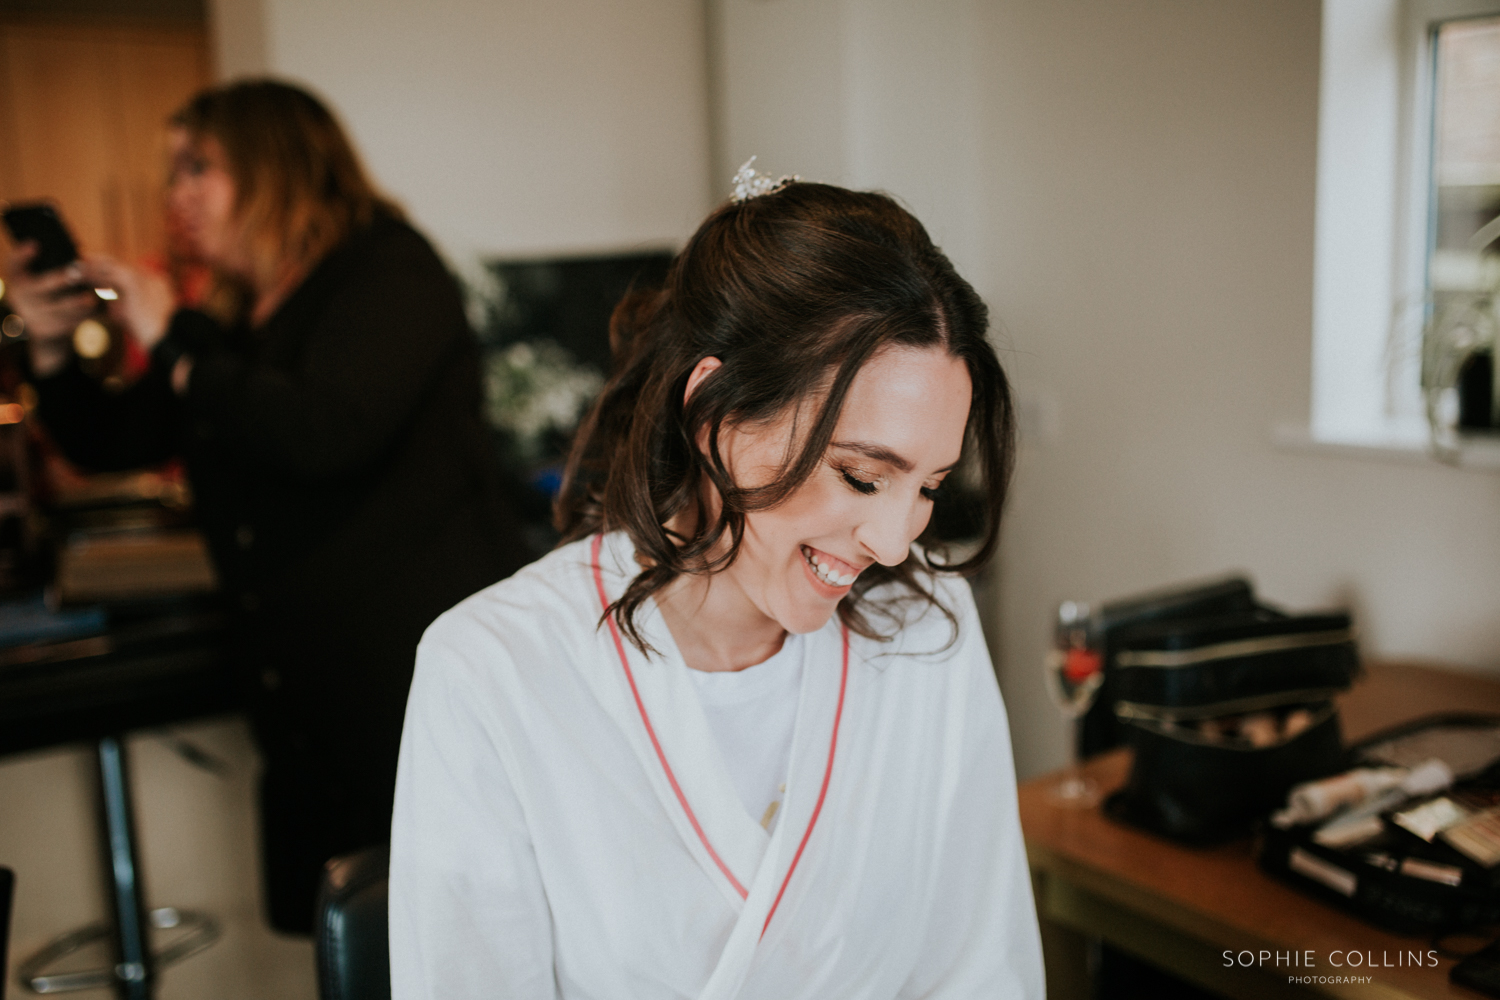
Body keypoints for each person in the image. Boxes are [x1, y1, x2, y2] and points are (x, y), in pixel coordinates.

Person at [389, 167, 1045, 998]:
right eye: (860, 475)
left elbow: (983, 969)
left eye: (928, 487)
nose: (891, 543)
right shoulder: (492, 669)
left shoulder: (927, 627)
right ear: (717, 415)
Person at [3, 79, 526, 934]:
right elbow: (115, 439)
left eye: (197, 167)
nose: (173, 195)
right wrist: (53, 349)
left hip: (415, 696)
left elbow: (324, 430)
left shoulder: (389, 267)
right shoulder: (235, 323)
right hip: (308, 707)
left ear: (275, 163)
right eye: (172, 172)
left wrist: (171, 337)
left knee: (449, 945)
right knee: (354, 943)